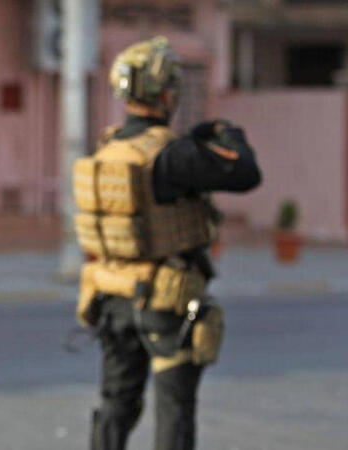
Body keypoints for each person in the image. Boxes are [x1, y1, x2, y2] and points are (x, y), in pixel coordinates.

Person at [73, 36, 261, 450]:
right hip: (165, 299)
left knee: (116, 402)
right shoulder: (171, 153)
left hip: (111, 295)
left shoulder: (109, 148)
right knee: (174, 407)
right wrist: (228, 135)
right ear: (166, 93)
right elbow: (247, 174)